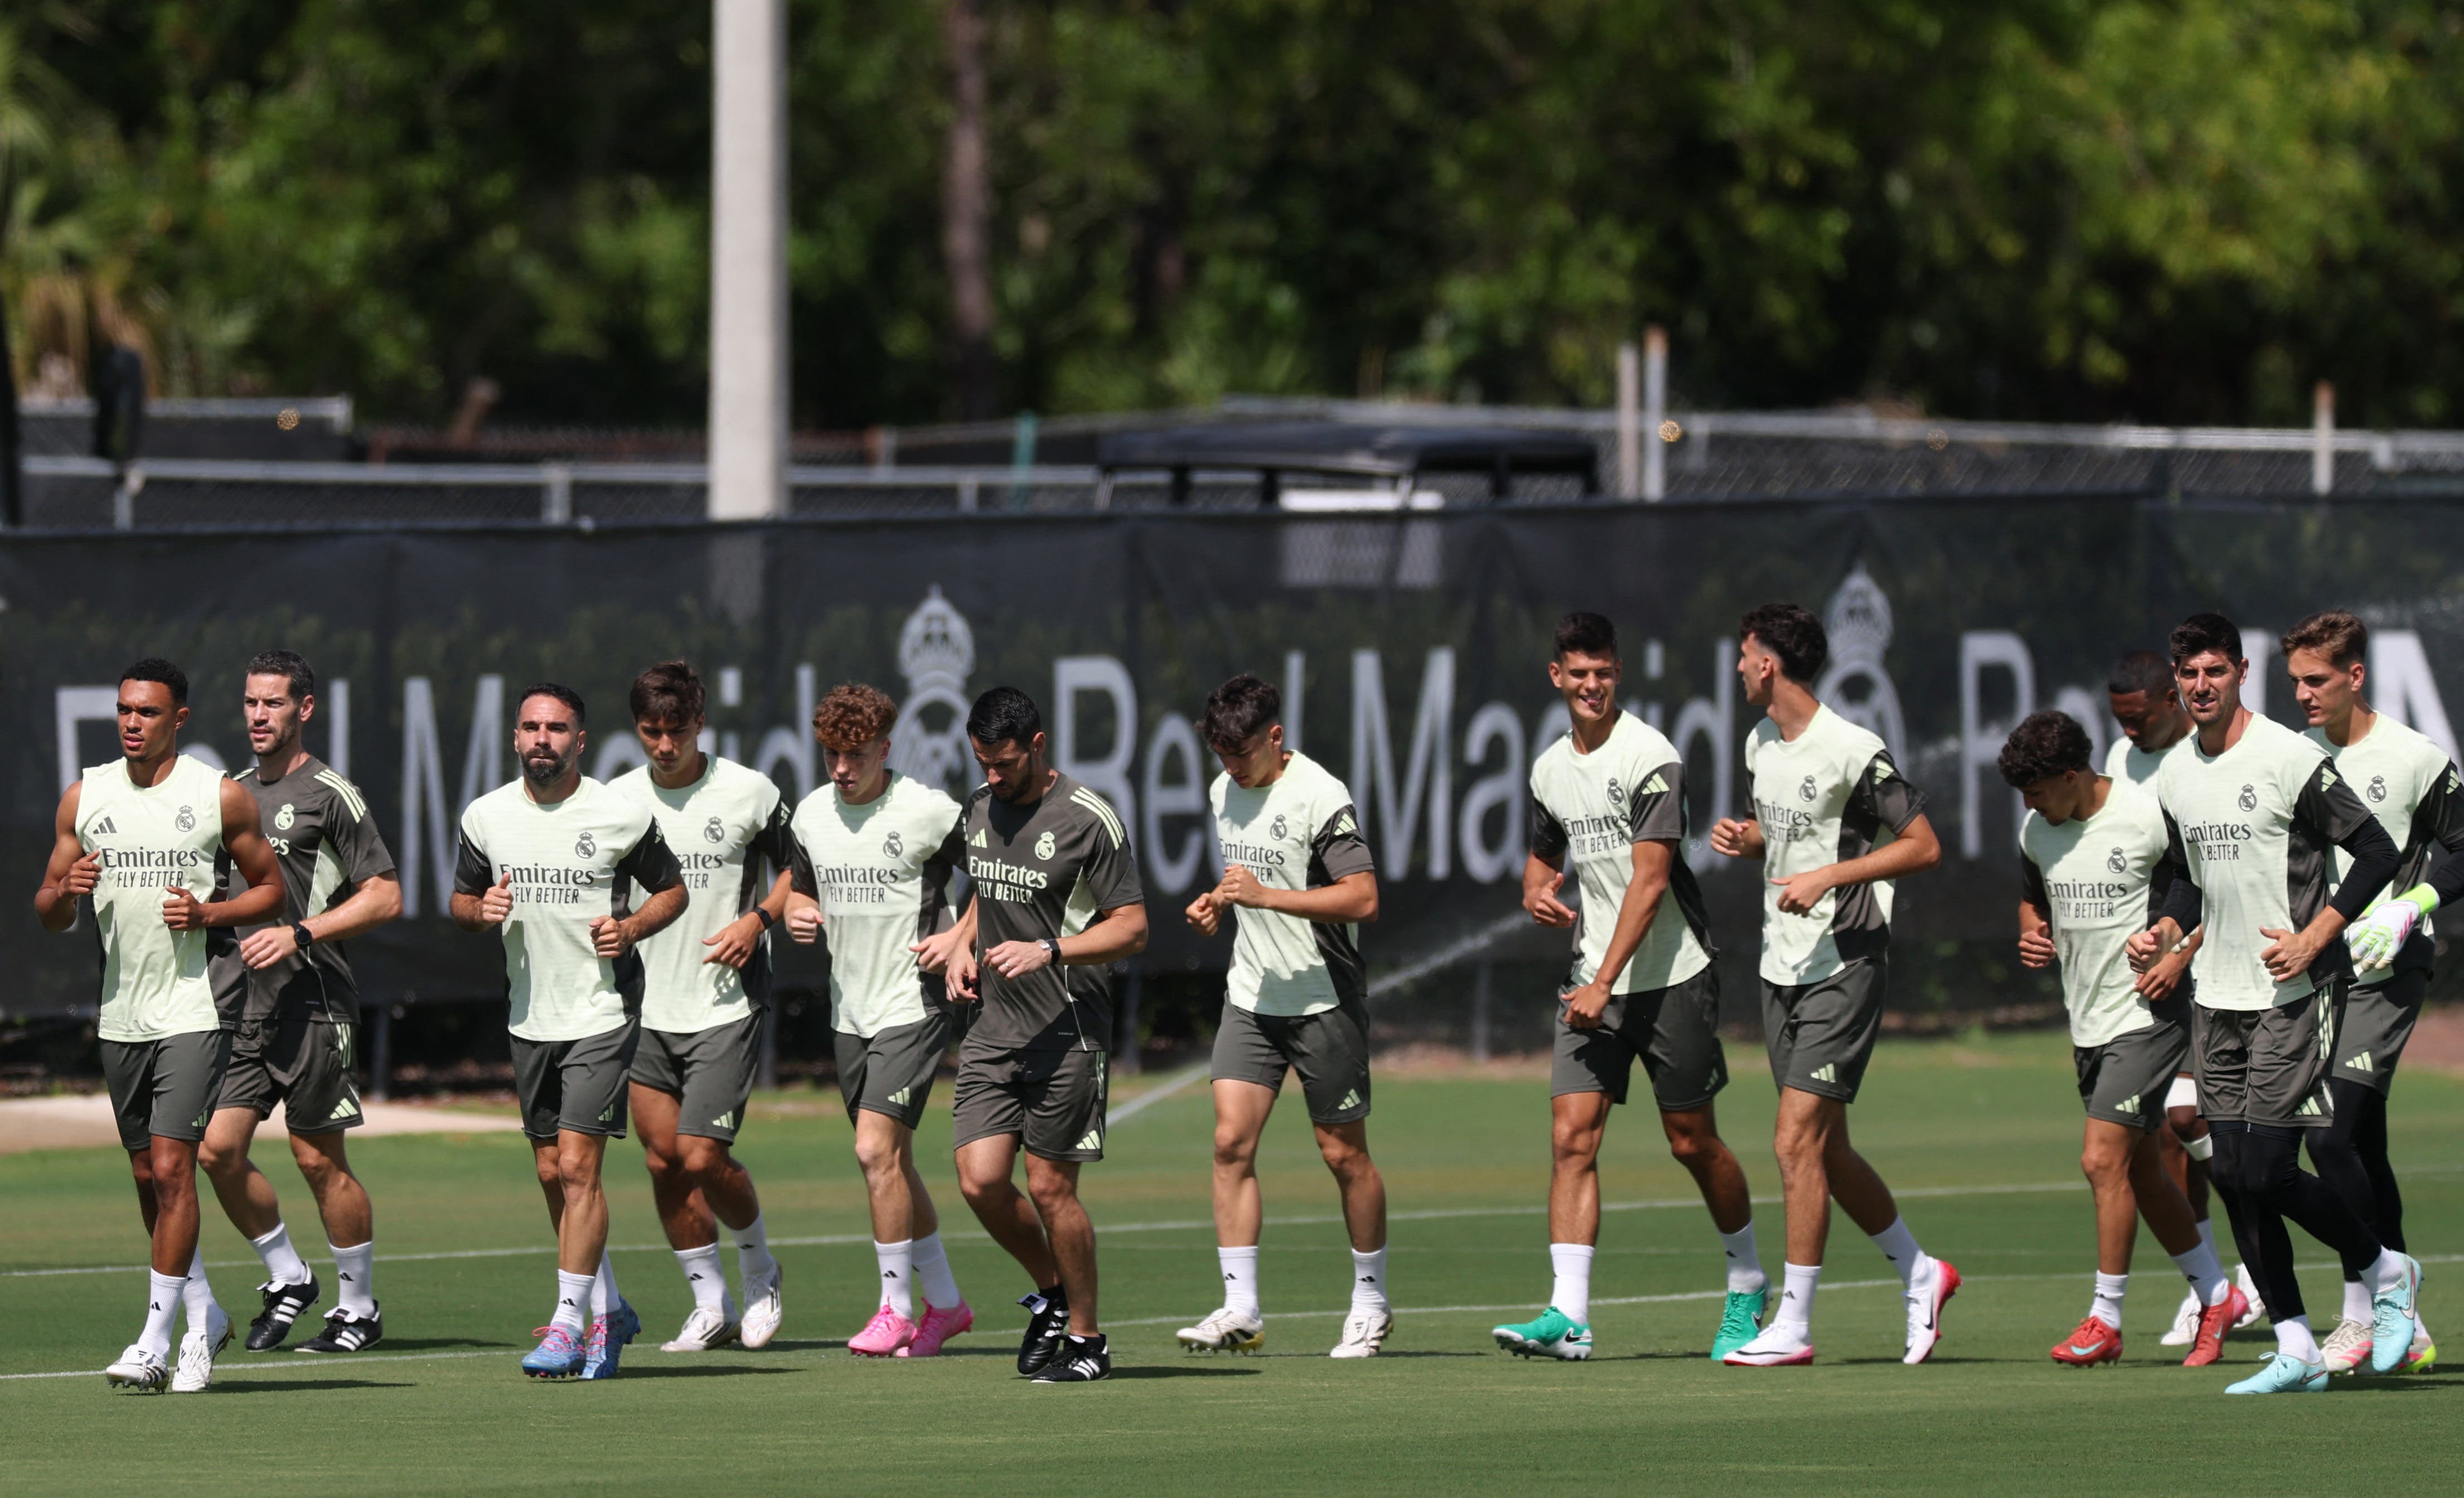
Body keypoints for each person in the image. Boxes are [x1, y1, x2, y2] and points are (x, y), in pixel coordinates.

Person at [2126, 612, 2422, 1394]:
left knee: (2264, 1168)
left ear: (2240, 673)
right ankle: (2294, 1342)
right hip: (2214, 996)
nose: (2200, 686)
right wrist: (2163, 932)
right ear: (2175, 680)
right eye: (2188, 673)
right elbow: (2186, 880)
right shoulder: (2175, 773)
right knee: (2231, 1173)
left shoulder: (2289, 757)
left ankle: (2385, 1270)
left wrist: (2317, 934)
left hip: (2291, 993)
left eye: (2214, 671)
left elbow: (2377, 851)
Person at [1489, 614, 1765, 1364]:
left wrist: (1604, 982)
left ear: (1618, 673)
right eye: (1578, 673)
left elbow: (1650, 882)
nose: (1592, 685)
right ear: (1557, 676)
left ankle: (1747, 1280)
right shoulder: (1548, 768)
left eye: (1603, 672)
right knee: (1570, 1137)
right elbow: (1543, 856)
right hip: (1592, 980)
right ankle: (1569, 1316)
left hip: (1671, 975)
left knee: (1691, 1141)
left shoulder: (1651, 757)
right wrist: (1535, 890)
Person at [1708, 602, 1959, 1368]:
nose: (1737, 666)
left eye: (1744, 653)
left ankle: (1793, 1323)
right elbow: (1786, 837)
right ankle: (1921, 1270)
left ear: (1768, 663)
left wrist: (1831, 875)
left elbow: (1922, 846)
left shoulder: (1853, 748)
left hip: (1844, 961)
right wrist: (1750, 839)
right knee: (1827, 1150)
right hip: (1779, 965)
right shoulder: (1758, 742)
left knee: (1792, 1141)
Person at [35, 659, 284, 1393]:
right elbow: (48, 909)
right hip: (122, 1012)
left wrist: (209, 913)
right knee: (149, 1174)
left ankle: (154, 1341)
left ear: (179, 718)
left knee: (176, 1167)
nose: (132, 722)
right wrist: (66, 889)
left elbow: (271, 889)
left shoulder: (219, 794)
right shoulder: (87, 795)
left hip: (195, 1007)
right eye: (124, 710)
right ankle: (203, 1314)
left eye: (147, 712)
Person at [452, 683, 688, 1380]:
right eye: (531, 726)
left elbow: (673, 889)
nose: (541, 739)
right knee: (552, 1169)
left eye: (556, 728)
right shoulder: (486, 816)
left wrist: (632, 927)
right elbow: (461, 900)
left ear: (579, 741)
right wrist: (480, 910)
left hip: (602, 1011)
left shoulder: (619, 814)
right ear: (515, 736)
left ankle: (567, 1325)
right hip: (531, 1015)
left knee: (581, 1167)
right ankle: (611, 1308)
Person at [2000, 709, 2244, 1367]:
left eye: (2037, 791)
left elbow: (2206, 888)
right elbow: (2033, 899)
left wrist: (2176, 949)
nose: (2029, 805)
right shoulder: (2036, 830)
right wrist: (2032, 930)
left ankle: (2105, 1318)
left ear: (2074, 776)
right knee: (2139, 1168)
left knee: (2101, 1160)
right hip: (2087, 1021)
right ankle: (2217, 1294)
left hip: (2149, 1015)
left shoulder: (2144, 816)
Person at [1175, 673, 1391, 1359]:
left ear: (1275, 736)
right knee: (1229, 1143)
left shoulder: (1321, 796)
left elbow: (1362, 898)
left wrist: (1265, 895)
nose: (1231, 767)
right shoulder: (1224, 789)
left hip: (1323, 998)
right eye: (1221, 755)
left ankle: (1371, 1302)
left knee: (1343, 1155)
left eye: (1242, 753)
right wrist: (1219, 902)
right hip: (1252, 996)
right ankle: (1241, 1309)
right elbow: (1244, 877)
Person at [196, 651, 403, 1356]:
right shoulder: (228, 794)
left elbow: (386, 895)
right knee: (216, 1151)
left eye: (274, 702)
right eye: (251, 702)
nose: (259, 715)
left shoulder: (330, 793)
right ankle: (289, 1274)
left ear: (304, 708)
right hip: (240, 1007)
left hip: (315, 1002)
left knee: (318, 1159)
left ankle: (359, 1308)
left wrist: (301, 932)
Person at [946, 686, 1147, 1383]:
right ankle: (1053, 1292)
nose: (993, 775)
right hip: (993, 1028)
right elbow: (987, 885)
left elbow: (1133, 928)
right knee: (980, 1181)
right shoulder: (978, 806)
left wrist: (1051, 950)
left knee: (1051, 1188)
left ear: (1037, 745)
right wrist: (961, 942)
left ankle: (1088, 1341)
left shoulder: (1089, 819)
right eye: (983, 762)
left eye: (1004, 762)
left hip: (1069, 1030)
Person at [2283, 610, 2462, 1374]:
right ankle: (2404, 1316)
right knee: (2360, 1144)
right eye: (2294, 681)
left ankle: (2362, 1310)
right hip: (2311, 974)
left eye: (2316, 679)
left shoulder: (2414, 757)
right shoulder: (2288, 757)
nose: (2302, 694)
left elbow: (2462, 847)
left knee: (2326, 1135)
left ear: (2354, 676)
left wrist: (2408, 906)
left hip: (2388, 969)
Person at [784, 682, 975, 1357]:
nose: (843, 767)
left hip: (914, 1002)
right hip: (851, 1009)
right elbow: (799, 887)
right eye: (832, 754)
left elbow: (997, 873)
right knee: (891, 1160)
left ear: (886, 748)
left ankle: (895, 1308)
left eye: (857, 753)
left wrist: (962, 937)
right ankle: (948, 1304)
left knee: (873, 1151)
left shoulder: (928, 810)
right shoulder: (811, 815)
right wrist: (795, 910)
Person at [609, 662, 795, 1354]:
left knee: (703, 1153)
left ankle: (761, 1271)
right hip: (644, 1009)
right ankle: (709, 1303)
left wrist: (760, 919)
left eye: (678, 731)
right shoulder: (616, 800)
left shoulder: (749, 790)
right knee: (664, 1162)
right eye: (651, 731)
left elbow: (798, 867)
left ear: (701, 724)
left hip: (725, 1003)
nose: (665, 745)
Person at [2106, 648, 2243, 1344]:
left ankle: (2254, 1259)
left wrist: (2183, 951)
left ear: (2173, 700)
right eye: (2119, 721)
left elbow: (2228, 876)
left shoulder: (2213, 757)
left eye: (2138, 719)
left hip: (2216, 960)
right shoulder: (2120, 759)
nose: (2129, 733)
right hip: (2152, 959)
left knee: (2193, 1119)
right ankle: (2211, 1285)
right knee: (2165, 1128)